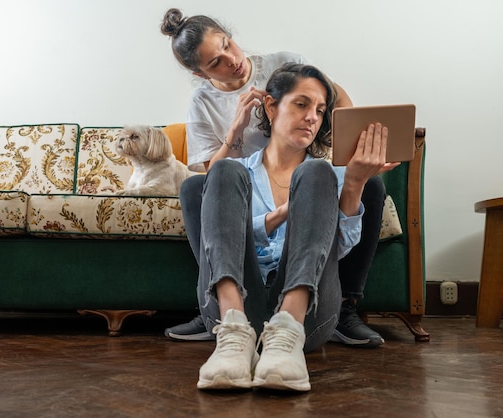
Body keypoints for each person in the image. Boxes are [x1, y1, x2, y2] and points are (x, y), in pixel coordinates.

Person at [161, 8, 387, 348]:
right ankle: (221, 304)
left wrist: (350, 168)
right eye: (215, 63)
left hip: (308, 180)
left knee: (337, 177)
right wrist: (235, 128)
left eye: (227, 45)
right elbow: (215, 183)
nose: (231, 60)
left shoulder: (284, 64)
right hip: (244, 187)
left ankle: (343, 309)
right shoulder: (204, 104)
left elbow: (331, 95)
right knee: (200, 185)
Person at [178, 62, 398, 391]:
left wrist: (352, 184)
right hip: (236, 306)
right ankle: (234, 336)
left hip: (308, 314)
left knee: (316, 172)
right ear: (271, 105)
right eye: (301, 104)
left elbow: (336, 251)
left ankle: (287, 332)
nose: (312, 117)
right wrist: (279, 215)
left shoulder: (327, 175)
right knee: (220, 171)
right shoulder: (238, 174)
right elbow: (219, 235)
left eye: (320, 111)